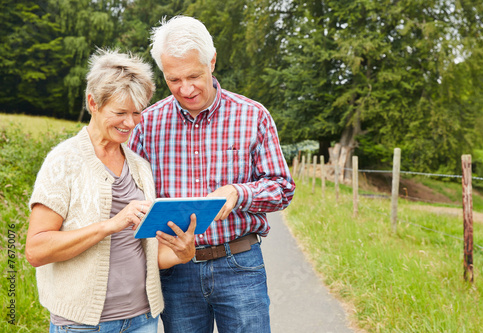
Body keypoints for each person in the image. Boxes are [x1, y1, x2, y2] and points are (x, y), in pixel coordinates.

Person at [128, 15, 296, 333]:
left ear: (212, 61)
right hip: (175, 268)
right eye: (174, 79)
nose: (186, 89)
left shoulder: (253, 115)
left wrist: (238, 192)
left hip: (240, 263)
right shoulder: (147, 124)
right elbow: (128, 194)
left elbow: (282, 188)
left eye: (194, 75)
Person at [25, 49, 196, 332]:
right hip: (83, 324)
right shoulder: (63, 161)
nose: (130, 123)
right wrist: (110, 225)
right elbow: (36, 250)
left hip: (142, 319)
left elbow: (151, 254)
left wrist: (183, 252)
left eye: (136, 113)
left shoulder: (140, 166)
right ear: (93, 103)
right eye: (120, 113)